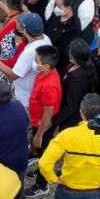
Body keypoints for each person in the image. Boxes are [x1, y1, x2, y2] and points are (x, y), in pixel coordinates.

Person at [0, 12, 50, 110]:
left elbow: (13, 75)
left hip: (24, 98)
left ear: (24, 31)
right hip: (31, 90)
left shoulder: (29, 52)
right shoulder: (45, 38)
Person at [26, 46, 63, 189]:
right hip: (36, 121)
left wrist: (39, 135)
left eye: (36, 61)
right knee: (37, 146)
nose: (34, 63)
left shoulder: (49, 86)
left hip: (43, 125)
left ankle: (42, 184)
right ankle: (36, 159)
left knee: (44, 154)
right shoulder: (44, 73)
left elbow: (48, 115)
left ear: (46, 66)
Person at [54, 39, 99, 142]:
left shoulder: (76, 79)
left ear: (73, 56)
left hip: (72, 120)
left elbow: (70, 106)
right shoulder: (84, 66)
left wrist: (54, 120)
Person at [0, 0, 27, 64]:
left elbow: (5, 49)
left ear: (7, 3)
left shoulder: (13, 23)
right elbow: (11, 13)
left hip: (9, 60)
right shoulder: (21, 15)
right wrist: (0, 3)